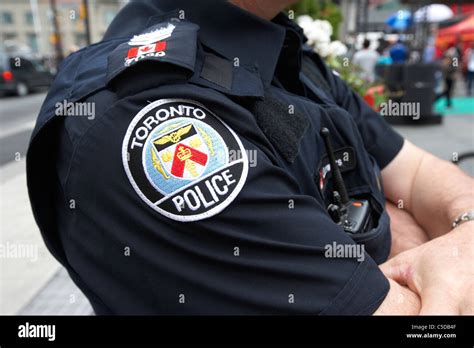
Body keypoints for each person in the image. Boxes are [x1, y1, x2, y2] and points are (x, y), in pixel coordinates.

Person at [27, 0, 473, 315]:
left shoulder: (289, 58)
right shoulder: (142, 112)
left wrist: (460, 239)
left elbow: (416, 173)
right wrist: (408, 232)